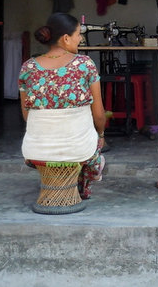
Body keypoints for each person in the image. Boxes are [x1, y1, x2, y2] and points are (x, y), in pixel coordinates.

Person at [19, 12, 107, 199]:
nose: (81, 38)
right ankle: (86, 178)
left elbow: (27, 115)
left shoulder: (28, 67)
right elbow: (99, 114)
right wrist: (101, 135)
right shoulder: (85, 64)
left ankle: (56, 182)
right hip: (80, 150)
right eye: (78, 34)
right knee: (95, 142)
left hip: (35, 152)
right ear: (66, 38)